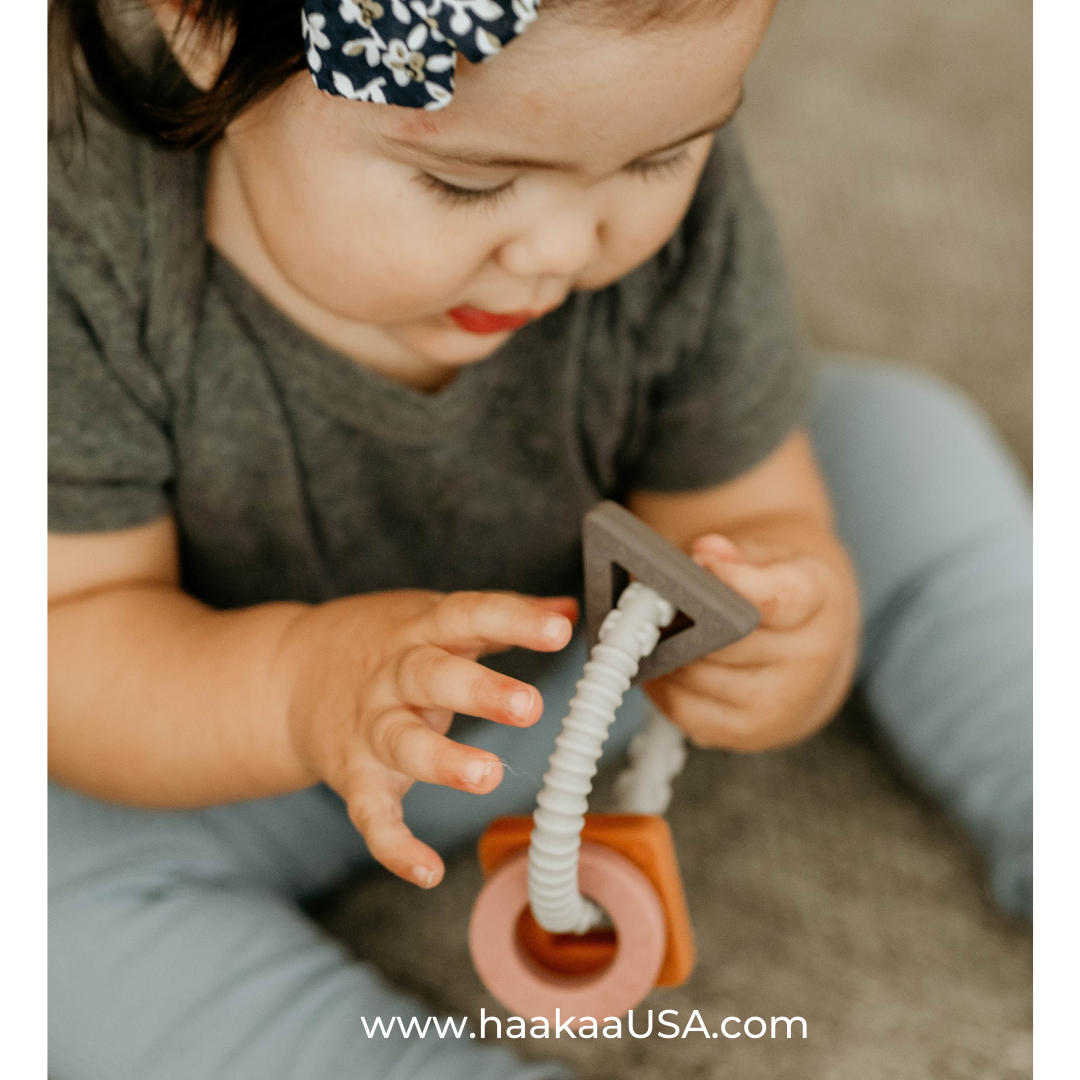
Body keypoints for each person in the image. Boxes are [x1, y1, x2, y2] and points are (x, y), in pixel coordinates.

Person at [48, 0, 1032, 1076]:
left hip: (591, 648)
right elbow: (73, 635)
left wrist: (780, 618)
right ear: (202, 27)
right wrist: (295, 691)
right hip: (247, 731)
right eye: (466, 183)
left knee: (897, 443)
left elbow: (742, 513)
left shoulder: (640, 155)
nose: (566, 249)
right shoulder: (71, 239)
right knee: (47, 910)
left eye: (658, 159)